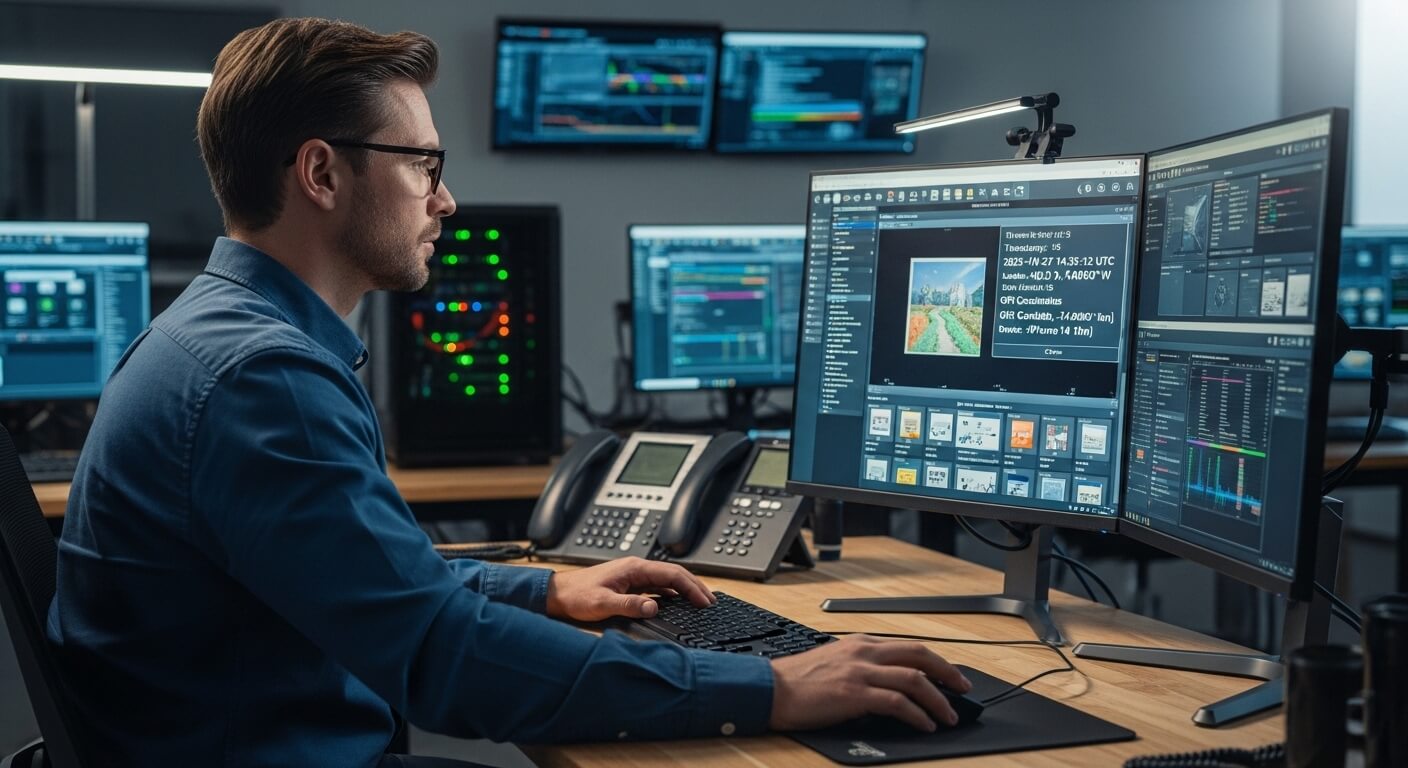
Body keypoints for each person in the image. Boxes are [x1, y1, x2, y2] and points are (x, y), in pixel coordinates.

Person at [47, 17, 970, 767]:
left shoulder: (213, 336)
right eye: (425, 165)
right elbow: (442, 658)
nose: (445, 200)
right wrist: (774, 687)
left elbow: (369, 579)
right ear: (322, 173)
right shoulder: (262, 379)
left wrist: (545, 590)